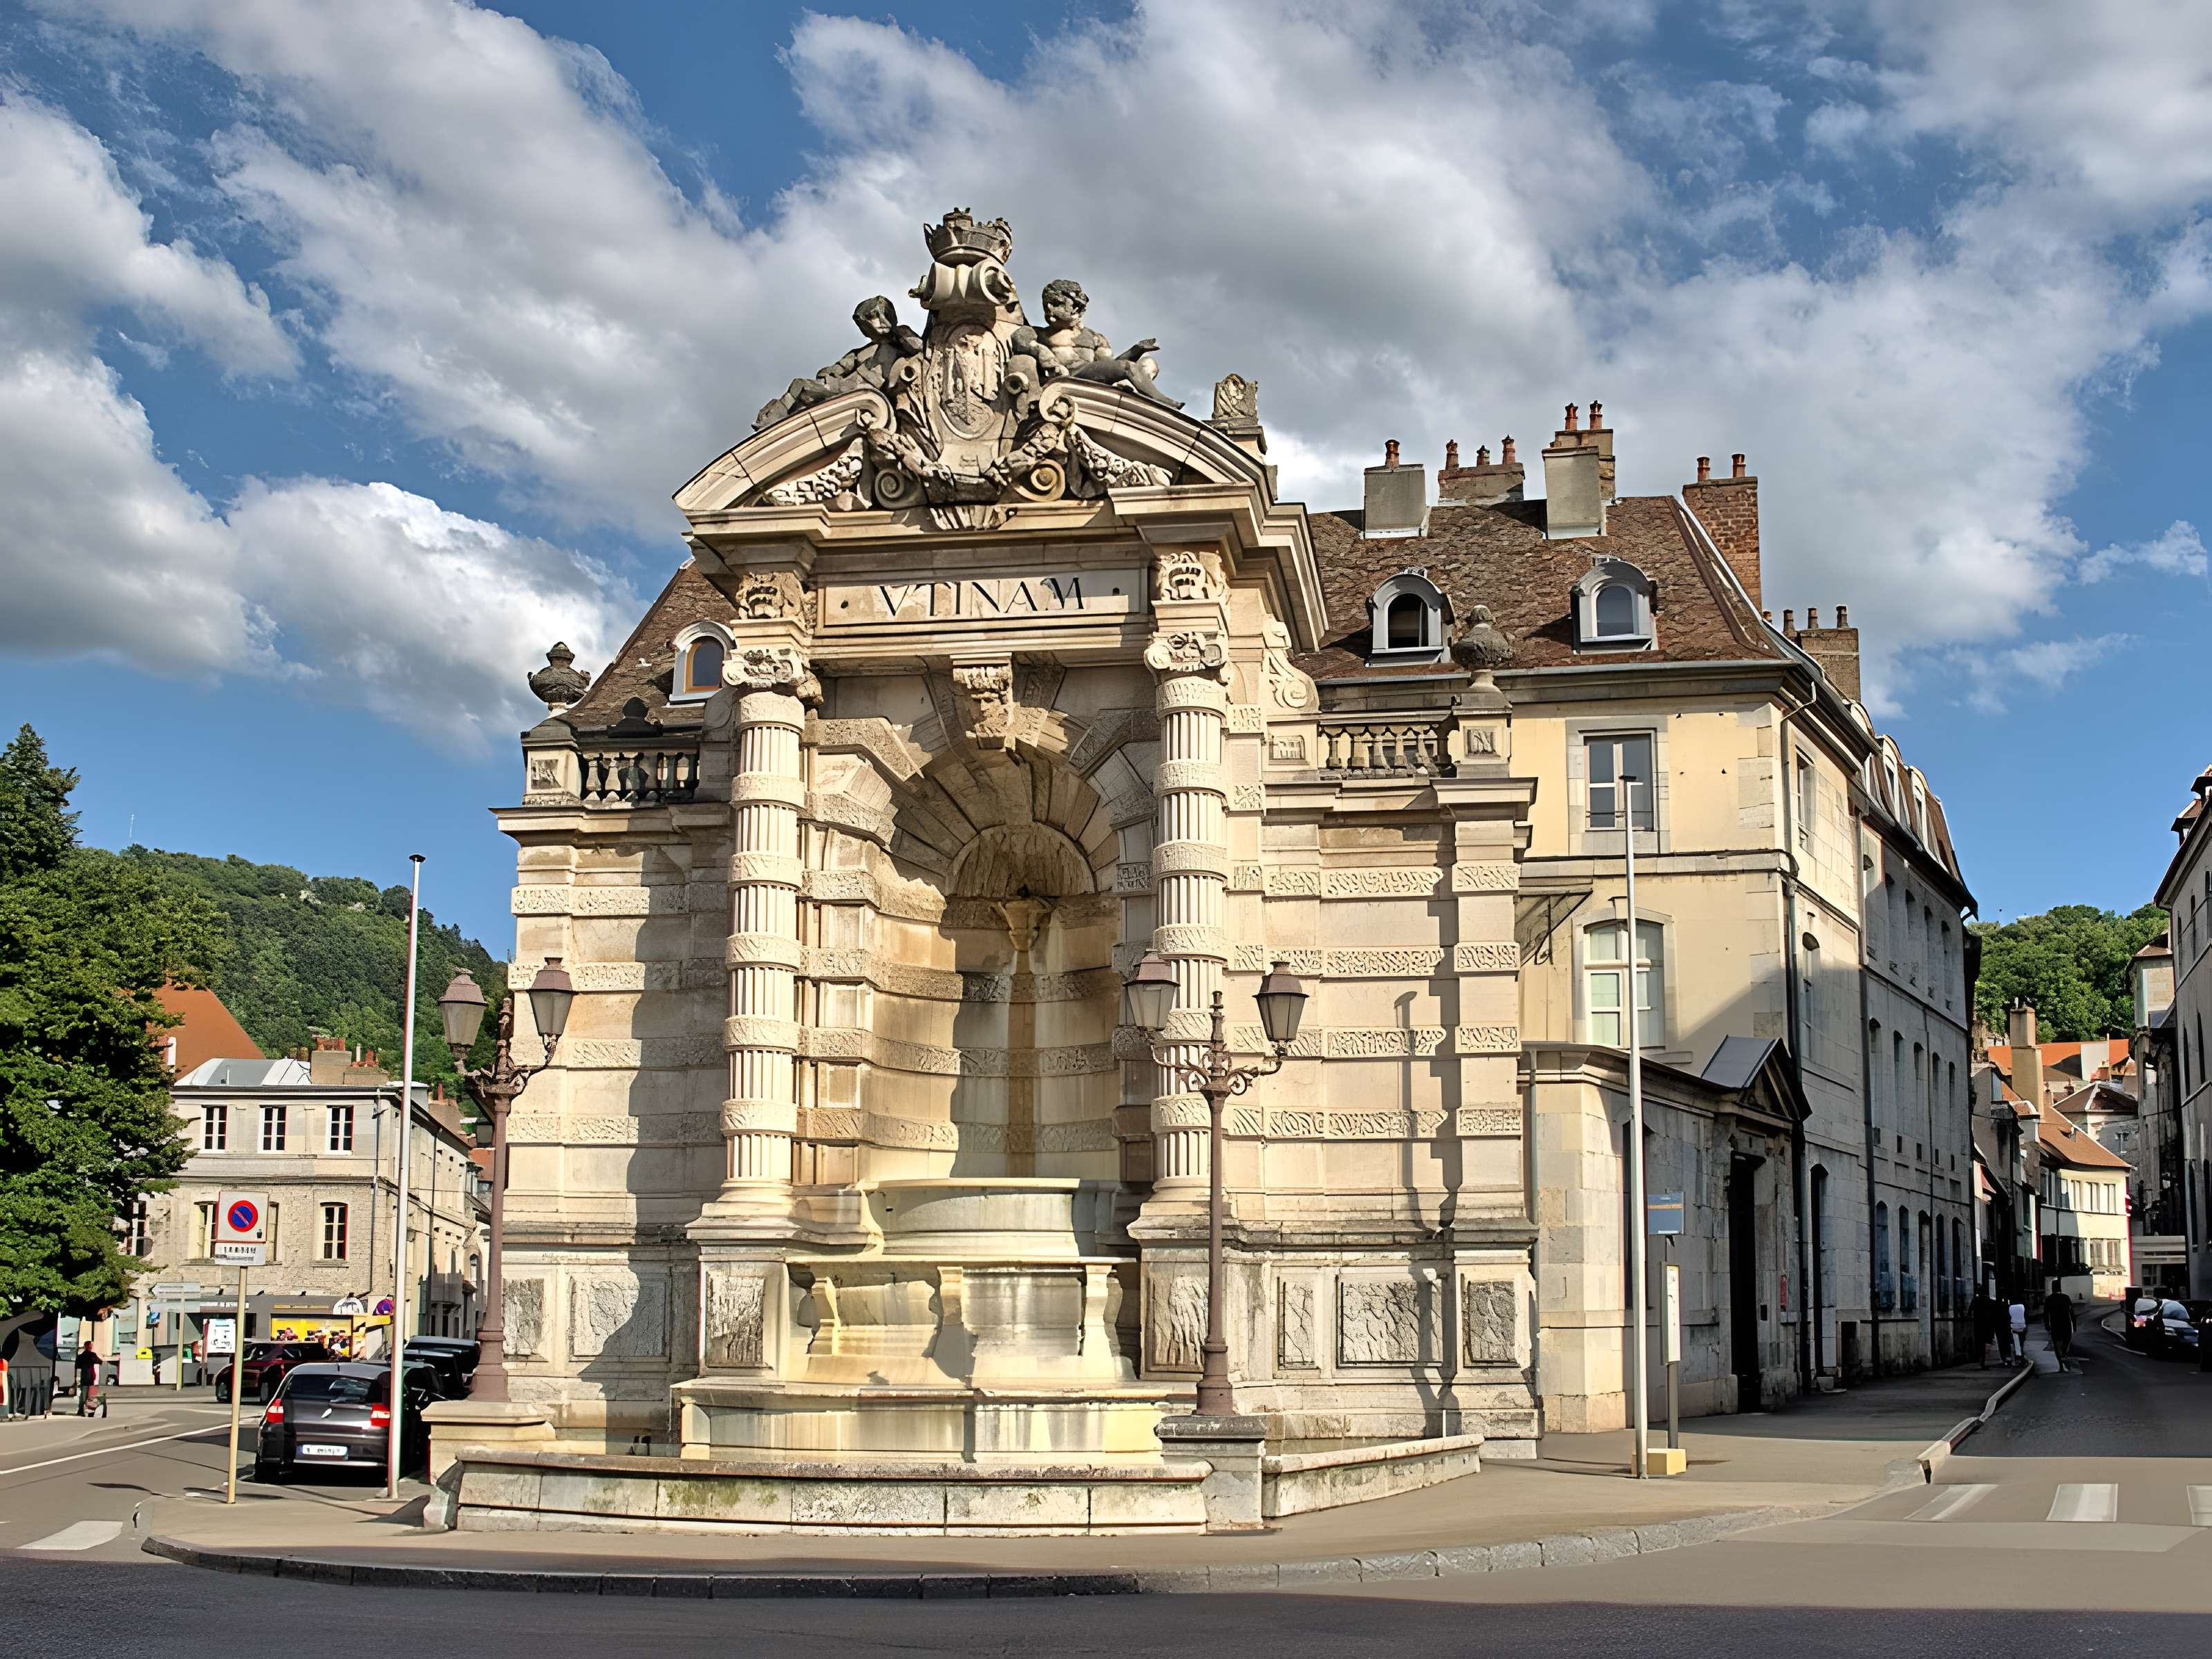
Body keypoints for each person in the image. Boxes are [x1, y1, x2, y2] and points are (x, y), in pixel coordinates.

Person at [2045, 1289, 2076, 1367]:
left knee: (2057, 1341)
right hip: (2066, 1323)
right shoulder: (2066, 1297)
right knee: (2067, 1339)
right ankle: (2064, 1353)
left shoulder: (2049, 1299)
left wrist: (2047, 1326)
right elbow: (2071, 1312)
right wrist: (2074, 1325)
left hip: (2055, 1323)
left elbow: (2046, 1314)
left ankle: (2060, 1359)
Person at [1970, 1291, 1998, 1368]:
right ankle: (1985, 1360)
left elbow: (1969, 1312)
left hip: (1979, 1325)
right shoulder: (1992, 1302)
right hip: (1989, 1326)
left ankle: (1981, 1359)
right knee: (1988, 1343)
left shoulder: (1975, 1301)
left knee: (1980, 1343)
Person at [73, 1342, 101, 1416]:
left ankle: (81, 1410)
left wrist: (75, 1378)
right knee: (89, 1395)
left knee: (83, 1394)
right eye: (91, 1346)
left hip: (83, 1376)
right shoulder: (92, 1355)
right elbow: (100, 1361)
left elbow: (76, 1368)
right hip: (90, 1377)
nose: (91, 1347)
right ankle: (88, 1411)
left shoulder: (80, 1357)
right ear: (88, 1346)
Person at [2007, 1296, 2029, 1365]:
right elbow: (2026, 1316)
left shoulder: (2010, 1307)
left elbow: (2009, 1317)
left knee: (2017, 1344)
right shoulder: (2022, 1306)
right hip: (2023, 1326)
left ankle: (2018, 1358)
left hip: (2014, 1327)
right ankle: (2022, 1357)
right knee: (2022, 1343)